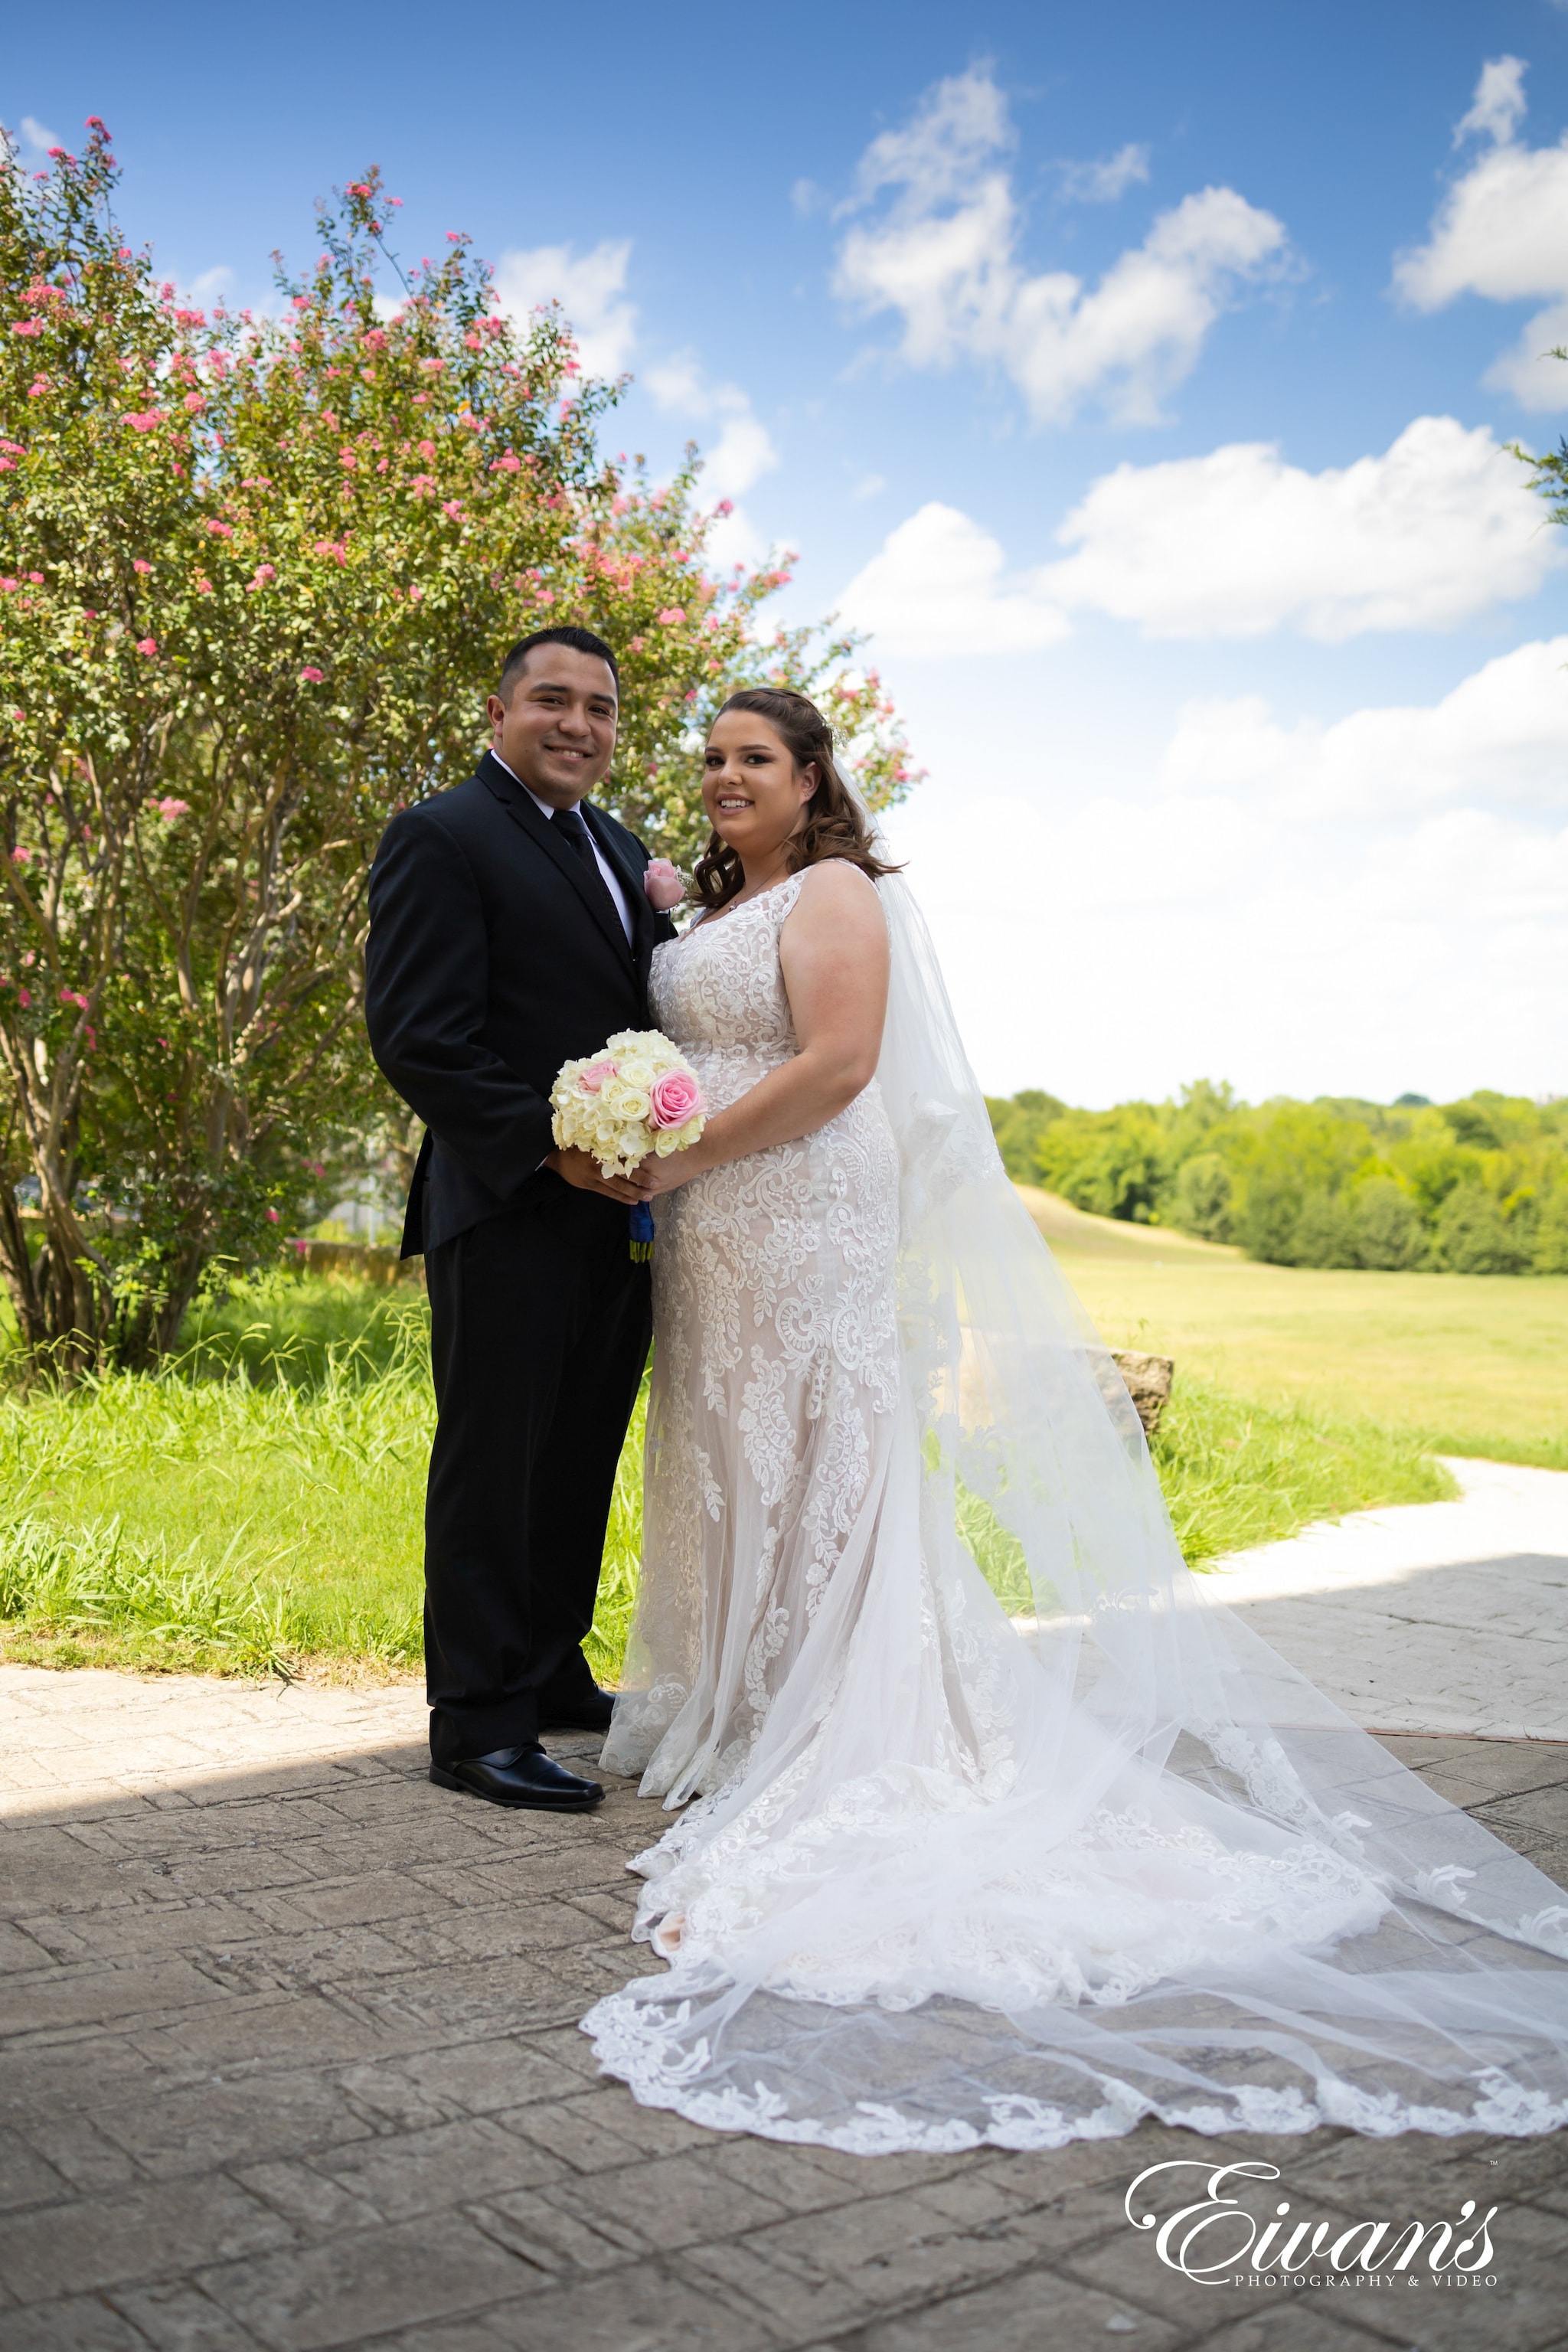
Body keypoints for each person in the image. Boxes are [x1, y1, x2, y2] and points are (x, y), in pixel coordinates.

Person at [582, 684, 1568, 2155]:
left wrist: (684, 1150)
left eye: (754, 761)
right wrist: (647, 1139)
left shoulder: (843, 891)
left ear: (810, 779)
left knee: (826, 1456)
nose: (725, 779)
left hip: (794, 1207)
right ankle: (744, 1705)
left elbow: (843, 1066)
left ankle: (834, 1710)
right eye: (712, 759)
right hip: (719, 1227)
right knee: (730, 1450)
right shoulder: (718, 898)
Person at [365, 626, 675, 1813]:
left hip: (622, 1215)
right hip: (506, 1203)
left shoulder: (617, 845)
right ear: (498, 713)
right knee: (495, 1461)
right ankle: (478, 1721)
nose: (579, 725)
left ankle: (548, 1670)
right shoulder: (442, 835)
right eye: (553, 700)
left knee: (578, 1451)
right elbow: (420, 1037)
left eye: (600, 708)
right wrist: (556, 1148)